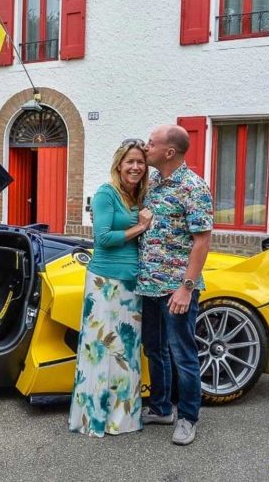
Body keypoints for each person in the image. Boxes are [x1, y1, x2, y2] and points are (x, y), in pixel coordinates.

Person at [69, 139, 153, 437]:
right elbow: (103, 238)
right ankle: (96, 418)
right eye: (130, 161)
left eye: (140, 162)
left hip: (133, 284)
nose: (135, 167)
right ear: (119, 164)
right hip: (105, 283)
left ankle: (123, 418)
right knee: (101, 349)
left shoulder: (140, 196)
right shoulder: (107, 194)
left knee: (126, 351)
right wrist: (141, 226)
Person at [137, 125, 213, 446]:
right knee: (154, 348)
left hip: (175, 289)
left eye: (151, 143)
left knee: (183, 353)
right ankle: (161, 408)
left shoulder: (194, 188)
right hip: (149, 285)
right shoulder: (152, 184)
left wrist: (186, 287)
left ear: (169, 152)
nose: (145, 146)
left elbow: (202, 241)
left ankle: (188, 418)